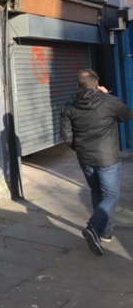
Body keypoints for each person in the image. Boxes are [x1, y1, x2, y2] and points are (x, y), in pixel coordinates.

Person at [60, 68, 133, 255]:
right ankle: (94, 227)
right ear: (97, 83)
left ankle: (105, 232)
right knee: (111, 196)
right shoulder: (108, 101)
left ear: (78, 85)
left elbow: (66, 135)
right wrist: (107, 95)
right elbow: (127, 115)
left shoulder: (69, 106)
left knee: (97, 192)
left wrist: (80, 148)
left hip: (85, 158)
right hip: (107, 158)